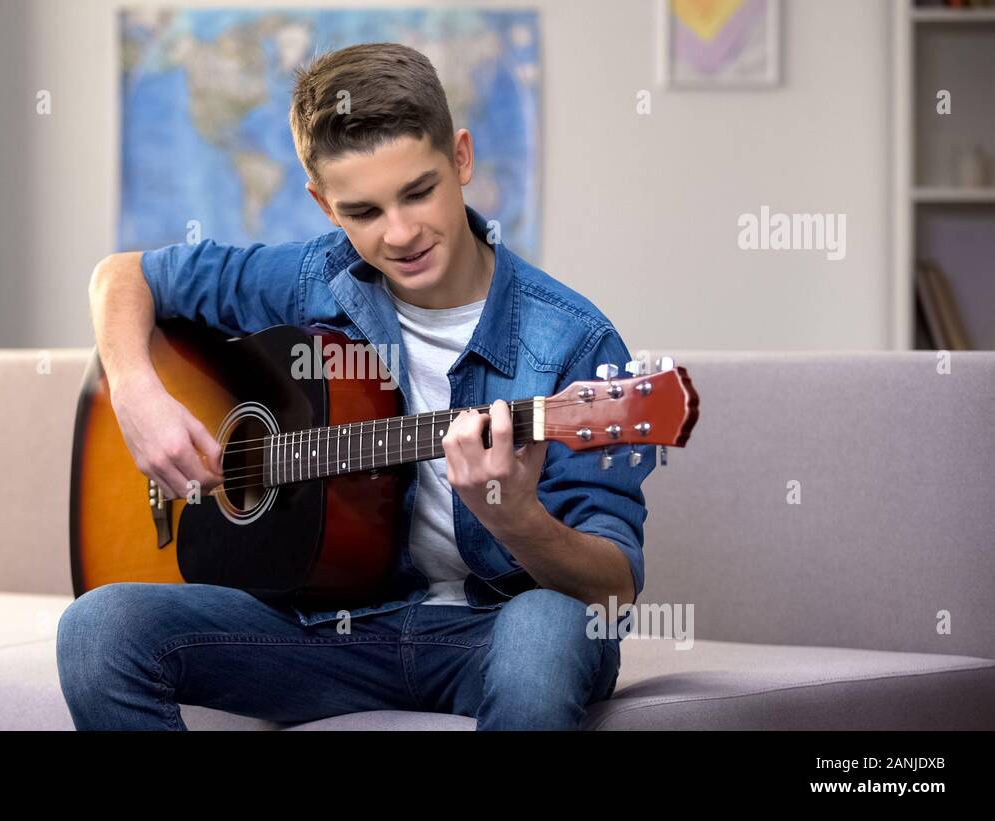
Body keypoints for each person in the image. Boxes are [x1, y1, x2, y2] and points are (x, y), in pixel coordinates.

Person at [58, 42, 655, 730]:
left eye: (419, 191)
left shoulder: (573, 341)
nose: (400, 234)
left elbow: (613, 589)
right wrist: (137, 395)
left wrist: (515, 516)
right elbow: (123, 275)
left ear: (461, 158)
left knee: (547, 627)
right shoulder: (318, 275)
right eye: (364, 211)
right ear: (323, 204)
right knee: (96, 628)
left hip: (496, 634)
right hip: (332, 630)